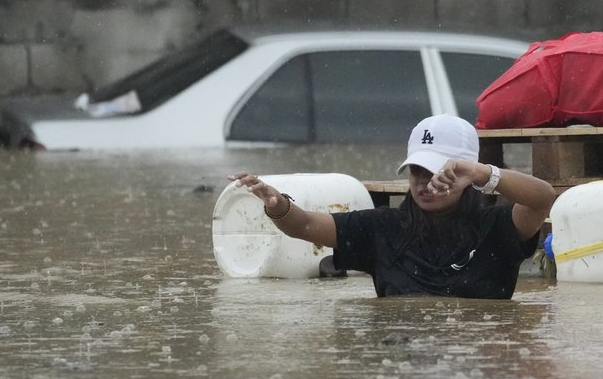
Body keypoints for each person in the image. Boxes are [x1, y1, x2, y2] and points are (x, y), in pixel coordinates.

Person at [228, 114, 557, 299]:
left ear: (466, 174)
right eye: (417, 171)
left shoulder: (498, 229)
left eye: (437, 172)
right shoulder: (380, 229)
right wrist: (278, 205)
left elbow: (542, 197)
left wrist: (483, 173)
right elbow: (304, 226)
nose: (424, 182)